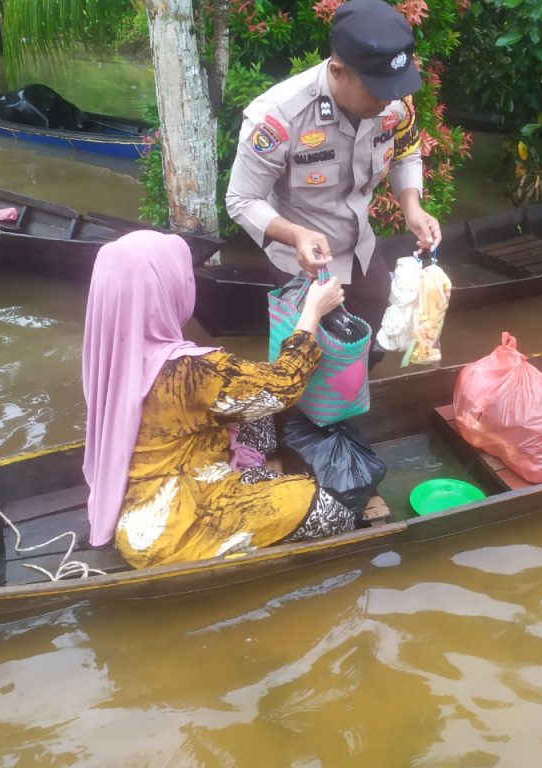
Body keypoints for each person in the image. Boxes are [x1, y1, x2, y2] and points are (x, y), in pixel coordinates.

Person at [82, 230, 356, 568]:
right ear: (165, 289)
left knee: (255, 411)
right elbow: (282, 386)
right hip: (173, 526)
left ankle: (260, 473)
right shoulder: (189, 370)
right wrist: (311, 313)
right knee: (330, 510)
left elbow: (253, 390)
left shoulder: (107, 352)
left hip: (135, 502)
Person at [225, 0, 442, 348]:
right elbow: (240, 199)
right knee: (307, 361)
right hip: (304, 266)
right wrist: (295, 234)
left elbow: (406, 152)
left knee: (372, 344)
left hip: (362, 251)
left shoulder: (394, 101)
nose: (390, 101)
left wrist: (412, 207)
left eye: (394, 89)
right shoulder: (280, 117)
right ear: (338, 70)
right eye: (378, 90)